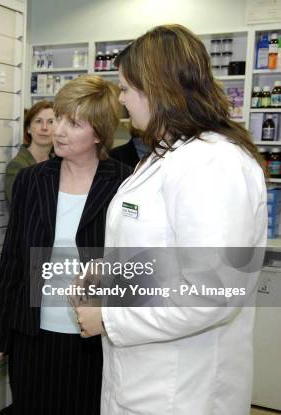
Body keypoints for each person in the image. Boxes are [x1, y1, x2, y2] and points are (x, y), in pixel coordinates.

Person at [75, 25, 267, 415]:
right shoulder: (168, 154)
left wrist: (110, 319)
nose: (122, 101)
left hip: (182, 390)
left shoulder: (213, 163)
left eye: (126, 89)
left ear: (157, 89)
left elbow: (212, 291)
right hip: (144, 378)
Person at [0, 75, 132, 415]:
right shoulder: (32, 180)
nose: (58, 130)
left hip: (93, 337)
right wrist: (0, 335)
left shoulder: (125, 183)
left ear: (98, 133)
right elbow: (12, 261)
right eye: (58, 119)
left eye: (73, 123)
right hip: (32, 333)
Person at [4, 100, 54, 205]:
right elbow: (21, 207)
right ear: (28, 129)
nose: (44, 127)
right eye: (38, 121)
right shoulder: (18, 166)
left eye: (51, 122)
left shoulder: (60, 164)